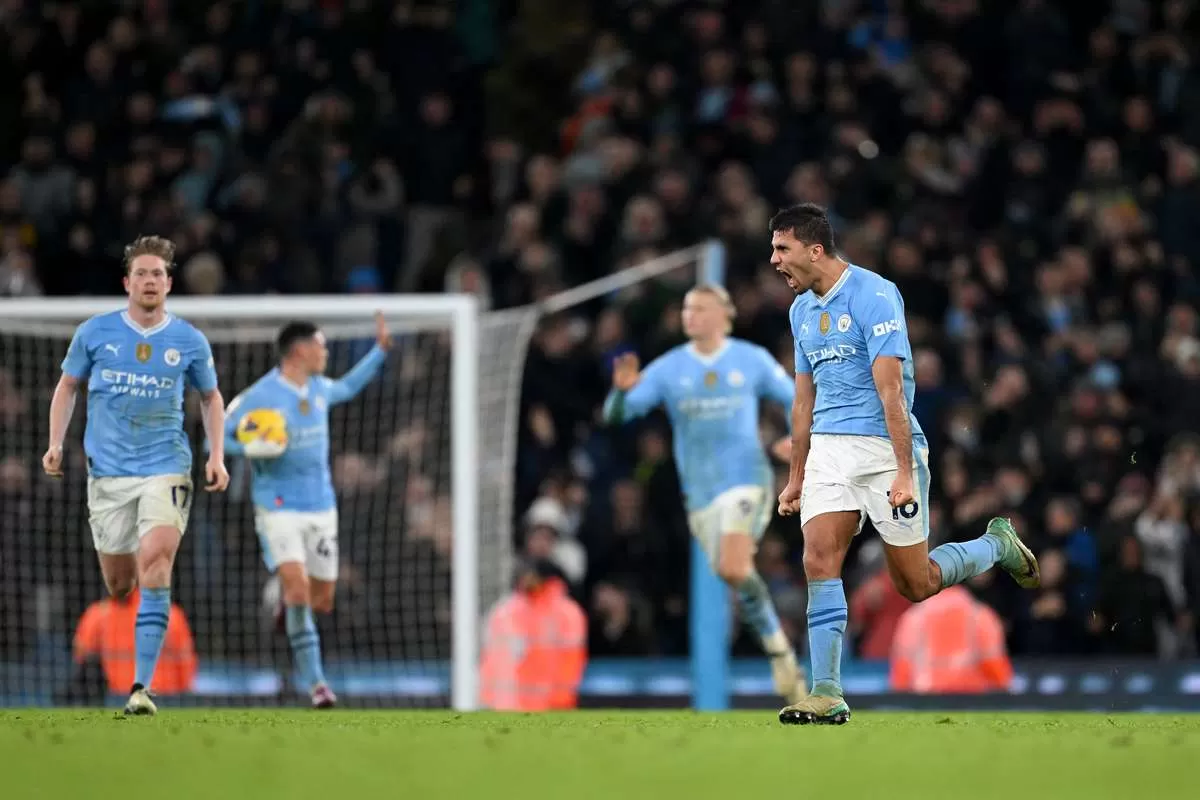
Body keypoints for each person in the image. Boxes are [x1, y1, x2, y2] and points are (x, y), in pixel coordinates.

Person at [770, 203, 1039, 725]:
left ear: (815, 249)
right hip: (828, 449)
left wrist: (903, 471)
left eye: (782, 248)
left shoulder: (875, 294)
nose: (774, 260)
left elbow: (891, 392)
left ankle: (995, 544)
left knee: (915, 584)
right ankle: (825, 691)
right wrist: (796, 476)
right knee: (817, 560)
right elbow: (802, 401)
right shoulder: (799, 311)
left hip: (883, 450)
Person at [42, 234, 229, 716]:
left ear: (169, 284)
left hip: (166, 466)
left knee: (157, 563)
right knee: (121, 585)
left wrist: (216, 454)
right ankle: (138, 673)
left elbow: (210, 398)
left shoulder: (188, 339)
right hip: (108, 476)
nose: (150, 281)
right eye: (142, 273)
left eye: (158, 274)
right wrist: (56, 443)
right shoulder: (95, 332)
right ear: (128, 282)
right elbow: (68, 387)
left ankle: (140, 689)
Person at [602, 284, 807, 704]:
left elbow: (796, 398)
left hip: (747, 480)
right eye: (685, 307)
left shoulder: (750, 360)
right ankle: (780, 648)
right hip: (699, 496)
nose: (689, 315)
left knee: (733, 566)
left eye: (698, 308)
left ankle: (778, 655)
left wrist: (795, 439)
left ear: (722, 315)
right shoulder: (669, 369)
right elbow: (615, 416)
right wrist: (621, 392)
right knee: (736, 574)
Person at [223, 314, 391, 708]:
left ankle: (287, 600)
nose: (326, 351)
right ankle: (318, 686)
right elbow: (217, 438)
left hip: (321, 507)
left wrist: (379, 352)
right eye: (321, 345)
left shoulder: (318, 388)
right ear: (300, 350)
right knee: (299, 592)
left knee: (321, 600)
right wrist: (251, 448)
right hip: (277, 506)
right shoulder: (259, 396)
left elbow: (349, 387)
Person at [479, 559, 588, 711]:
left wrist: (560, 699)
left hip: (553, 704)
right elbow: (492, 659)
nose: (526, 579)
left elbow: (572, 659)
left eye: (530, 574)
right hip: (509, 704)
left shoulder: (567, 613)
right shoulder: (505, 611)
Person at [73, 587, 199, 697]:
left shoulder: (97, 615)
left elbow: (80, 662)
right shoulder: (169, 614)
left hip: (118, 704)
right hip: (162, 701)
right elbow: (186, 669)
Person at [889, 585, 1013, 694]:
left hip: (927, 697)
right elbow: (993, 662)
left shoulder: (914, 616)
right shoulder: (979, 614)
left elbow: (902, 667)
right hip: (971, 696)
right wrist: (1004, 686)